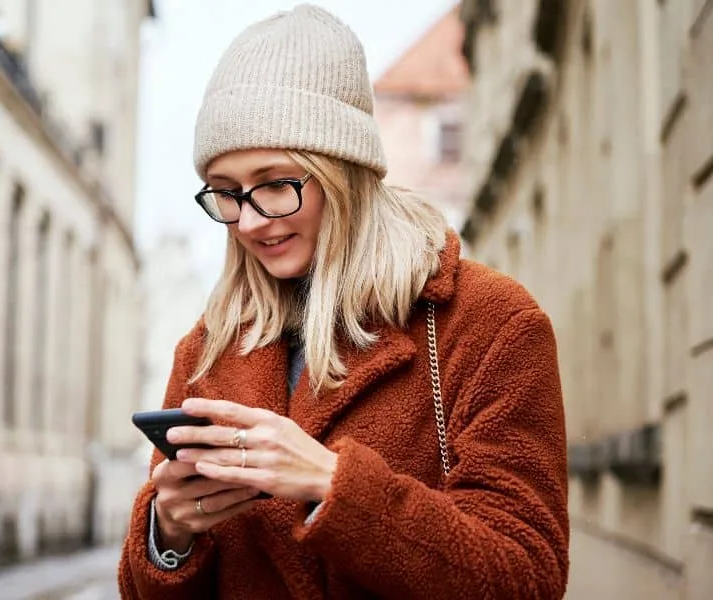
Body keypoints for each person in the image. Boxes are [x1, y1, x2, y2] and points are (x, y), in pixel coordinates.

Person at [118, 4, 569, 599]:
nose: (249, 221)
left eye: (276, 184)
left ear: (342, 172)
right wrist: (167, 532)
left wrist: (334, 486)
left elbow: (527, 575)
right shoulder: (208, 348)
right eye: (226, 194)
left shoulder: (489, 323)